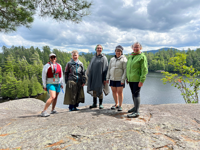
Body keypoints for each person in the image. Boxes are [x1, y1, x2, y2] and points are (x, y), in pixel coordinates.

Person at [126, 42, 148, 118]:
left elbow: (144, 70)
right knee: (133, 93)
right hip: (131, 79)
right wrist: (127, 77)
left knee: (136, 94)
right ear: (132, 48)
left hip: (137, 79)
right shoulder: (131, 56)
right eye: (134, 47)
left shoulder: (142, 57)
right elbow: (128, 68)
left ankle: (137, 112)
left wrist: (142, 80)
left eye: (137, 47)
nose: (135, 48)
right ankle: (135, 107)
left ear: (140, 48)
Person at [87, 44, 109, 109]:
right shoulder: (93, 57)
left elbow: (105, 68)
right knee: (94, 89)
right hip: (93, 76)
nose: (99, 49)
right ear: (96, 49)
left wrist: (104, 78)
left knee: (100, 90)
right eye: (98, 48)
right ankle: (94, 103)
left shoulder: (104, 58)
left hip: (100, 77)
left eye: (100, 48)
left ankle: (100, 104)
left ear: (102, 49)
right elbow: (90, 67)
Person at [106, 45, 127, 111]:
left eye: (119, 51)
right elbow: (109, 68)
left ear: (121, 52)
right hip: (112, 78)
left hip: (120, 79)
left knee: (120, 92)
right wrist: (107, 78)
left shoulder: (124, 59)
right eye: (116, 51)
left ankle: (120, 106)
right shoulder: (112, 59)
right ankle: (116, 104)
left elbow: (125, 70)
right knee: (114, 91)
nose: (118, 52)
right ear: (115, 51)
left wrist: (123, 79)